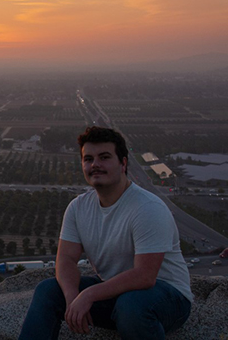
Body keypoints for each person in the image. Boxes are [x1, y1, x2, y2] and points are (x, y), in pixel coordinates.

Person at [19, 126, 192, 339]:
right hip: (115, 294)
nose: (95, 165)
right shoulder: (78, 208)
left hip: (166, 296)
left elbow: (145, 277)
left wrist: (89, 294)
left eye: (104, 157)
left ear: (123, 163)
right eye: (88, 158)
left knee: (131, 305)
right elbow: (65, 259)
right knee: (48, 291)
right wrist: (73, 297)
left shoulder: (147, 208)